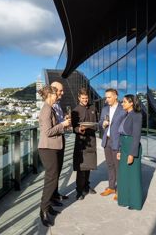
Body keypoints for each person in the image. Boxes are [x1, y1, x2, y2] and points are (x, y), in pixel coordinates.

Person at [37, 85, 71, 227]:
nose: (58, 95)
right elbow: (48, 132)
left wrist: (62, 123)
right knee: (51, 179)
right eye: (56, 94)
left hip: (52, 147)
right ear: (50, 95)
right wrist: (62, 124)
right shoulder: (46, 110)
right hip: (47, 148)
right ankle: (43, 210)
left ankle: (48, 206)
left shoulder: (50, 108)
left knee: (52, 178)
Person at [117, 94, 143, 210]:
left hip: (132, 146)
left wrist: (132, 154)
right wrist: (119, 150)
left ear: (131, 103)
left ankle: (134, 202)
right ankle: (124, 199)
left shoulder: (137, 115)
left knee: (133, 176)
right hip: (124, 147)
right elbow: (121, 134)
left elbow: (136, 136)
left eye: (124, 102)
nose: (122, 104)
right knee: (123, 175)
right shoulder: (125, 115)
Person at [99, 88, 126, 200]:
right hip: (107, 140)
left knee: (118, 167)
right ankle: (111, 187)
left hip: (117, 141)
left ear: (115, 96)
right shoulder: (105, 109)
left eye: (109, 97)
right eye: (106, 97)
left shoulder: (123, 109)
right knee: (110, 165)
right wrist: (103, 124)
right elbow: (100, 122)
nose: (107, 99)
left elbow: (125, 127)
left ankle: (120, 190)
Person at [71, 88, 98, 200]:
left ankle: (87, 187)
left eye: (86, 98)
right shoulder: (75, 111)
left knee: (89, 166)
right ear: (79, 98)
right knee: (81, 167)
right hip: (81, 141)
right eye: (83, 98)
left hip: (91, 140)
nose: (85, 100)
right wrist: (79, 129)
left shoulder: (93, 108)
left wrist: (95, 126)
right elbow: (74, 127)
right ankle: (79, 190)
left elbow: (96, 124)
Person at [50, 81, 69, 205]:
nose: (62, 93)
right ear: (54, 90)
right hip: (52, 143)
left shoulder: (57, 105)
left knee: (58, 169)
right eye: (60, 90)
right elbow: (50, 128)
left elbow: (60, 123)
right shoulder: (49, 107)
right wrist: (63, 124)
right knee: (53, 172)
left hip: (60, 139)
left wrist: (65, 121)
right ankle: (51, 197)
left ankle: (55, 194)